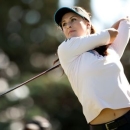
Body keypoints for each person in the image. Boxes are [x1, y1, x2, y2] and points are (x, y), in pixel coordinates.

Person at [53, 6, 130, 130]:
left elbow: (124, 23)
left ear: (87, 24)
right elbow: (112, 34)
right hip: (100, 127)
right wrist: (100, 38)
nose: (68, 25)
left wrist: (99, 41)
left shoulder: (110, 51)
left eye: (73, 19)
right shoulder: (65, 49)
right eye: (64, 24)